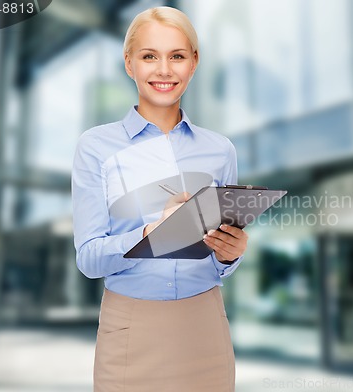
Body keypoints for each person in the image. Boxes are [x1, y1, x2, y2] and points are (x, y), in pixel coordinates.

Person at [71, 6, 247, 392]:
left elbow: (221, 264)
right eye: (150, 56)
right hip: (132, 329)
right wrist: (152, 233)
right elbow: (88, 258)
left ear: (194, 63)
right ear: (129, 62)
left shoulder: (221, 150)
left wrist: (230, 253)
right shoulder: (95, 148)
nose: (164, 70)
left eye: (177, 56)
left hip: (205, 327)